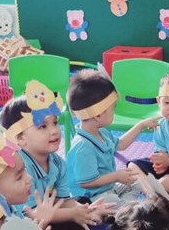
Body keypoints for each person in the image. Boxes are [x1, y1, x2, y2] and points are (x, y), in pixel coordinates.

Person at [0, 85, 111, 230]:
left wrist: (84, 210)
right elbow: (31, 214)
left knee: (83, 202)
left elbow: (63, 200)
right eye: (43, 126)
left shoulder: (57, 162)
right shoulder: (21, 168)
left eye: (55, 122)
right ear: (20, 138)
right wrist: (74, 214)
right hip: (27, 223)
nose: (54, 130)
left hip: (49, 214)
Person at [66, 69, 156, 204]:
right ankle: (124, 207)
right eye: (112, 108)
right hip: (91, 198)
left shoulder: (102, 131)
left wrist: (140, 125)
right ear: (98, 115)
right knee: (112, 200)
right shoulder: (82, 147)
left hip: (109, 188)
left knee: (136, 182)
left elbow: (121, 144)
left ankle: (124, 206)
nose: (114, 112)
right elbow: (86, 182)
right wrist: (116, 176)